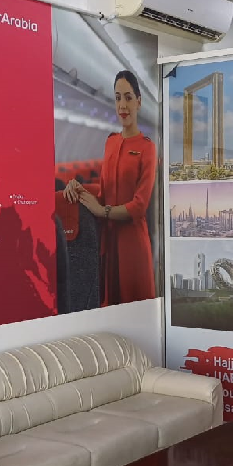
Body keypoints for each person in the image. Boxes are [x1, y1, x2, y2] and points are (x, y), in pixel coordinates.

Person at [63, 71, 156, 305]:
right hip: (109, 240)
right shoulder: (111, 142)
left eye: (128, 97)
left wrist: (102, 211)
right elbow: (104, 192)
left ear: (138, 102)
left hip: (133, 244)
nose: (122, 105)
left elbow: (139, 206)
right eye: (117, 98)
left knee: (134, 310)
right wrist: (78, 188)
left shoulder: (147, 148)